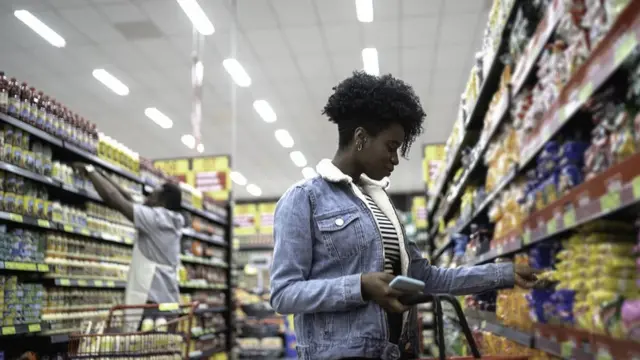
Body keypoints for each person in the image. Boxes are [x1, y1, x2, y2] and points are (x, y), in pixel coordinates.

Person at [269, 71, 539, 360]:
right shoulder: (304, 198)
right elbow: (283, 294)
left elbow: (429, 277)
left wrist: (503, 273)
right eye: (391, 146)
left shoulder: (381, 205)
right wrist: (360, 286)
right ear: (360, 138)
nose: (395, 159)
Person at [72, 163, 185, 308]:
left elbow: (114, 199)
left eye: (152, 194)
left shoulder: (156, 220)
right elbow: (128, 198)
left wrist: (90, 170)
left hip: (153, 304)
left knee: (150, 331)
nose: (147, 198)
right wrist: (102, 175)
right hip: (168, 300)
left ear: (162, 201)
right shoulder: (171, 219)